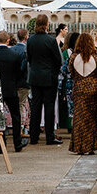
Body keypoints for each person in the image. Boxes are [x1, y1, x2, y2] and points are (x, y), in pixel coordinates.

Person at [27, 14, 63, 146]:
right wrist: (53, 72)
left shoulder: (30, 40)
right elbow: (58, 60)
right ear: (47, 24)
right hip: (49, 77)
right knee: (49, 107)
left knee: (35, 107)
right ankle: (49, 136)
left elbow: (29, 58)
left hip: (35, 76)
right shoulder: (50, 40)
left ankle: (34, 136)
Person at [0, 30, 27, 152]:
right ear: (8, 40)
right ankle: (17, 143)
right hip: (11, 88)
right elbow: (19, 73)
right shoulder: (14, 55)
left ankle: (2, 145)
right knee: (16, 116)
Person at [70, 32, 97, 155]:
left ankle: (78, 146)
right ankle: (91, 145)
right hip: (92, 88)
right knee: (91, 118)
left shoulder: (74, 57)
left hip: (79, 88)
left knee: (79, 118)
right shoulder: (96, 57)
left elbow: (72, 73)